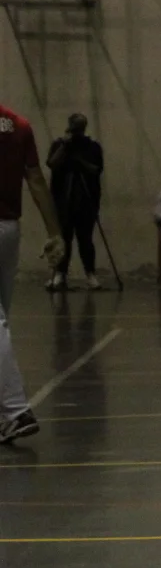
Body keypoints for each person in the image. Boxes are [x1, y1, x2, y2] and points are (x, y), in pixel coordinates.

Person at [0, 100, 66, 443]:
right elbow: (37, 180)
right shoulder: (19, 125)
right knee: (2, 320)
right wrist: (55, 232)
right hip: (8, 231)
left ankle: (15, 411)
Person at [46, 113, 103, 290]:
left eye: (79, 129)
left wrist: (80, 162)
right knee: (63, 239)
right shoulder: (59, 144)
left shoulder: (92, 147)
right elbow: (51, 163)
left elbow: (96, 169)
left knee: (85, 239)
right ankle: (60, 274)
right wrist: (65, 146)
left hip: (86, 200)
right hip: (63, 200)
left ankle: (90, 274)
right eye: (74, 128)